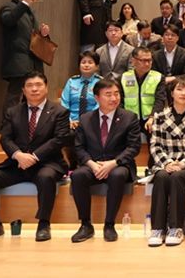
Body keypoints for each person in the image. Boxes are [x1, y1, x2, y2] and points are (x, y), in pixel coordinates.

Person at [0, 72, 70, 242]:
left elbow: (59, 139)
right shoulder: (13, 112)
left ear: (46, 88)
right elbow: (5, 138)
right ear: (23, 90)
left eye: (38, 85)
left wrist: (34, 157)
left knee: (46, 178)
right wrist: (18, 155)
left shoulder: (60, 112)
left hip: (47, 163)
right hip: (18, 163)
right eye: (29, 85)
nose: (34, 89)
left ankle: (44, 224)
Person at [70, 79, 141, 243]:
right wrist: (91, 164)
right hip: (93, 164)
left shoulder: (129, 117)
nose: (113, 98)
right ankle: (85, 225)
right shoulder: (86, 119)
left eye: (116, 94)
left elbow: (133, 147)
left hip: (119, 164)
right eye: (108, 94)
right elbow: (79, 148)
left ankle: (109, 224)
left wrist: (113, 163)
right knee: (78, 175)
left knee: (117, 175)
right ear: (97, 97)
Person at [147, 77, 185, 247]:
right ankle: (157, 229)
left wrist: (181, 164)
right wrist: (167, 163)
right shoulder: (159, 117)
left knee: (177, 177)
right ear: (172, 93)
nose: (183, 93)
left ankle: (175, 228)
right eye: (179, 89)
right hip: (165, 164)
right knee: (161, 176)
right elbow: (155, 146)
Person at [0, 0, 51, 114]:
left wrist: (43, 34)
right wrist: (24, 4)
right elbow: (8, 20)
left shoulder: (31, 12)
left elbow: (33, 37)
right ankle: (8, 126)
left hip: (34, 62)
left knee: (32, 98)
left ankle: (29, 125)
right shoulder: (9, 7)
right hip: (18, 62)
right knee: (14, 97)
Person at [121, 47, 167, 168]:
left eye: (149, 60)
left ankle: (153, 168)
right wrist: (123, 118)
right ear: (133, 61)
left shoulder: (158, 77)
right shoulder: (124, 77)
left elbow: (160, 100)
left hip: (150, 118)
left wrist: (152, 117)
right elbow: (120, 101)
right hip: (130, 118)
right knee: (124, 141)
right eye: (143, 60)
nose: (147, 63)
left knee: (156, 136)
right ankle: (128, 168)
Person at [60, 51, 103, 168]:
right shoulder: (71, 81)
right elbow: (64, 103)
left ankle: (87, 165)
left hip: (93, 121)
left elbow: (100, 104)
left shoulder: (101, 82)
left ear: (96, 66)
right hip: (71, 122)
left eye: (90, 62)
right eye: (83, 62)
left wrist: (84, 121)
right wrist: (69, 120)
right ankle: (68, 166)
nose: (86, 65)